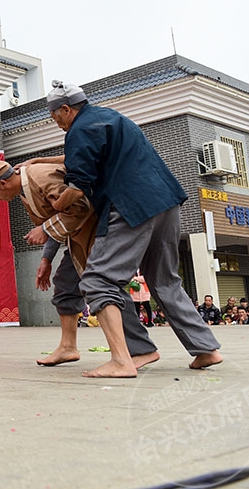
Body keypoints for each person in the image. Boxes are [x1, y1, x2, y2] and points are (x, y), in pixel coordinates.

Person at [45, 80, 223, 377]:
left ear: (65, 109)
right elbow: (82, 158)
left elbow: (77, 186)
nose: (57, 124)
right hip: (166, 201)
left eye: (55, 117)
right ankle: (206, 349)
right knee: (165, 280)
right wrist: (40, 160)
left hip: (131, 206)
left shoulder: (79, 130)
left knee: (98, 278)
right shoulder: (112, 118)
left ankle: (123, 359)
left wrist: (56, 206)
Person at [0, 160, 159, 369]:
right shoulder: (23, 189)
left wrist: (46, 229)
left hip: (102, 233)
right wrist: (46, 259)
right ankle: (68, 347)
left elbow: (80, 206)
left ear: (3, 184)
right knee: (65, 285)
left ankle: (141, 350)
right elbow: (52, 220)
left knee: (105, 288)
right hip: (78, 239)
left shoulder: (41, 178)